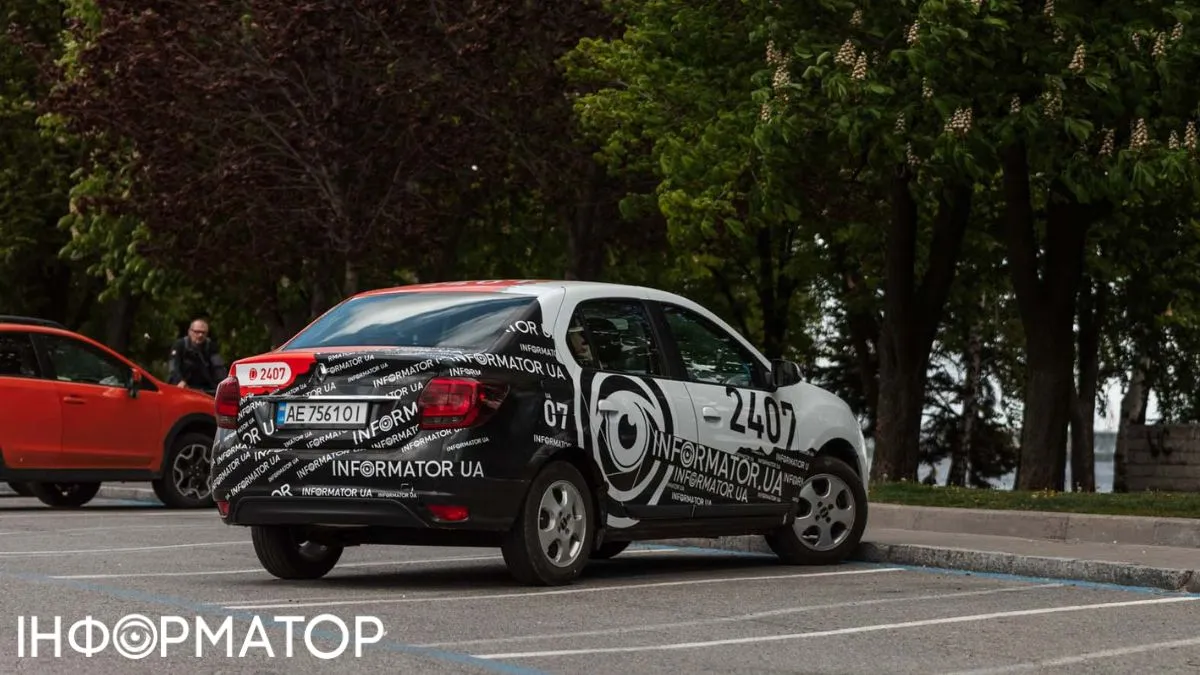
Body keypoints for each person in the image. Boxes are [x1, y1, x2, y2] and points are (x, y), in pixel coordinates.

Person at [167, 318, 225, 392]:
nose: (200, 335)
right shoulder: (180, 345)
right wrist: (179, 381)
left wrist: (223, 384)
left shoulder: (210, 346)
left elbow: (218, 368)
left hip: (204, 388)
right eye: (197, 332)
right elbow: (173, 367)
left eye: (203, 333)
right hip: (182, 386)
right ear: (190, 332)